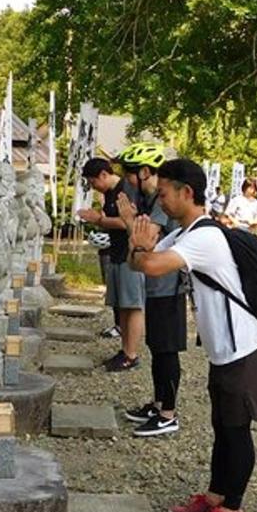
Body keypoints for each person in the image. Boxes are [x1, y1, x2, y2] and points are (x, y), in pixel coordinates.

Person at [128, 158, 257, 512]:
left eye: (164, 193)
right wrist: (138, 246)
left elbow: (152, 264)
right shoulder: (185, 231)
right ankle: (214, 496)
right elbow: (141, 261)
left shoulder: (204, 236)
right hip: (223, 348)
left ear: (186, 192)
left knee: (236, 430)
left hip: (244, 346)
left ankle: (232, 508)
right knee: (221, 425)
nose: (161, 201)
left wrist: (141, 249)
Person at [116, 142, 186, 437]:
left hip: (168, 286)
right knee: (156, 348)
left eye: (130, 174)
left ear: (145, 172)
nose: (127, 181)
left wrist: (128, 219)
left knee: (166, 350)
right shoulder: (148, 199)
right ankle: (158, 404)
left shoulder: (159, 202)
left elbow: (145, 239)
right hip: (155, 285)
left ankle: (168, 413)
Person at [77, 157, 145, 371]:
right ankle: (125, 349)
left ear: (104, 175)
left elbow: (129, 223)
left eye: (93, 181)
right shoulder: (109, 192)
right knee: (121, 305)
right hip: (115, 253)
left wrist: (99, 220)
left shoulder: (127, 189)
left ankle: (132, 354)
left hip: (130, 254)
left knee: (132, 305)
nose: (93, 186)